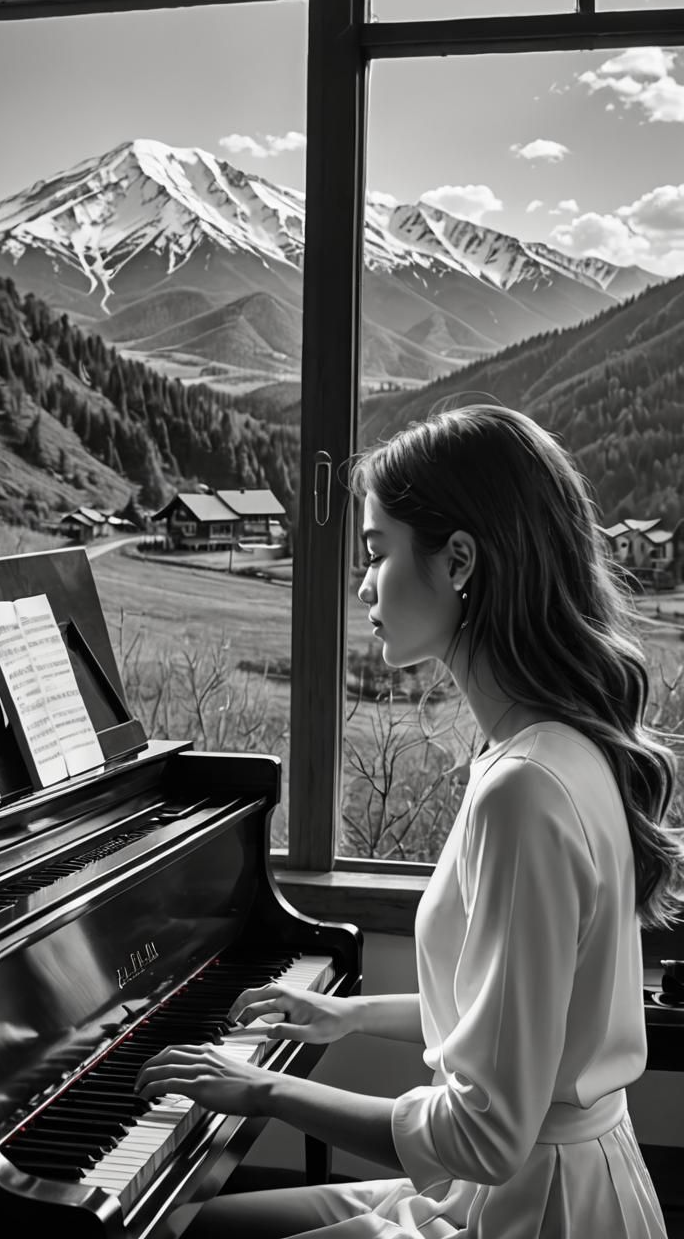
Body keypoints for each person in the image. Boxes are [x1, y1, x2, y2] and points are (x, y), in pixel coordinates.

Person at [135, 403, 684, 1238]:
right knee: (201, 1225)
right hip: (516, 1186)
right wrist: (348, 1016)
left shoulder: (526, 789)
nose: (362, 585)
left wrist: (263, 1091)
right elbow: (508, 1018)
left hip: (531, 1210)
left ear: (459, 559)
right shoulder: (545, 748)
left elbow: (487, 1133)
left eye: (376, 553)